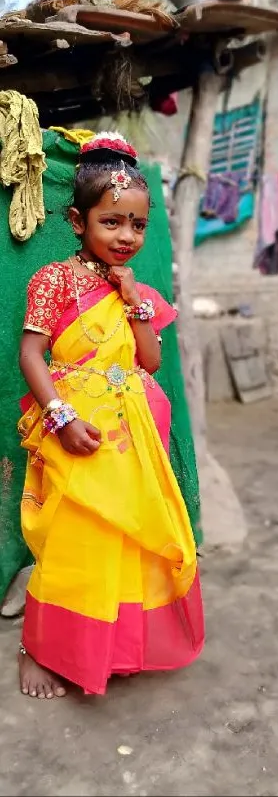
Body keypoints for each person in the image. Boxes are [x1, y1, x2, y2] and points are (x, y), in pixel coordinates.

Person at [17, 132, 204, 699]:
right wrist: (59, 417)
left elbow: (149, 360)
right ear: (78, 220)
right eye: (111, 222)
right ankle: (41, 648)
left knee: (123, 540)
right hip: (76, 424)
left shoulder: (135, 290)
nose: (126, 237)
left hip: (131, 432)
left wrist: (133, 302)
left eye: (137, 226)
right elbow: (31, 354)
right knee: (73, 536)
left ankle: (113, 645)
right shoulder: (53, 279)